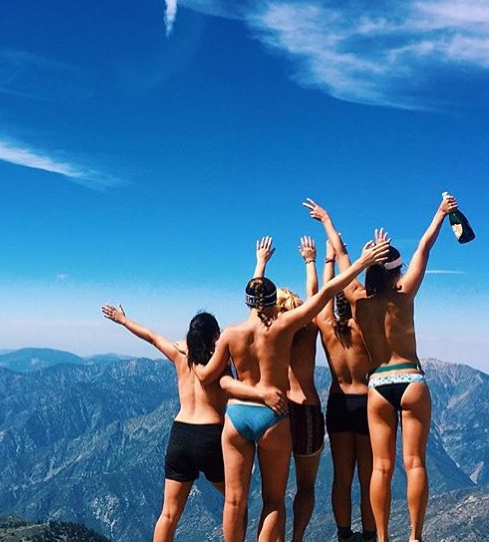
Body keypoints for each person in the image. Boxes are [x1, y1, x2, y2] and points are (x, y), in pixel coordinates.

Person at [193, 238, 390, 542]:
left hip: (237, 414)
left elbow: (212, 377)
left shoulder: (231, 333)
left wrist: (260, 262)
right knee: (274, 500)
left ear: (248, 301)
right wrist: (356, 263)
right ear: (273, 303)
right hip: (275, 414)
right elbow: (323, 293)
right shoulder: (289, 327)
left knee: (234, 501)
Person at [305, 194, 458, 542]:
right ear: (396, 273)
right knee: (415, 463)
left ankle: (383, 537)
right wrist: (440, 213)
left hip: (378, 385)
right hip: (411, 378)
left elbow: (342, 258)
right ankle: (415, 537)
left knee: (382, 467)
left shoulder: (358, 301)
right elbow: (424, 247)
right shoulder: (404, 296)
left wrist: (327, 220)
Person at [101, 305, 284, 542]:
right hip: (210, 437)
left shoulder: (180, 354)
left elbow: (152, 337)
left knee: (168, 514)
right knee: (235, 503)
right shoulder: (219, 363)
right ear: (215, 336)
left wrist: (123, 320)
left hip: (180, 436)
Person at [303, 201, 377, 542]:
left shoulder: (325, 325)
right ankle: (370, 534)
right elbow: (347, 286)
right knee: (369, 476)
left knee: (342, 478)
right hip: (367, 404)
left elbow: (322, 294)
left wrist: (325, 261)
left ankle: (344, 534)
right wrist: (336, 240)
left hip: (337, 403)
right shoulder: (365, 326)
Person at [254, 236, 324, 542]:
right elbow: (315, 295)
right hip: (306, 409)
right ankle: (297, 539)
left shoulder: (270, 333)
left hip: (278, 411)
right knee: (306, 487)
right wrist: (310, 260)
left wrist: (261, 263)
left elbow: (256, 302)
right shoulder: (308, 329)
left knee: (274, 495)